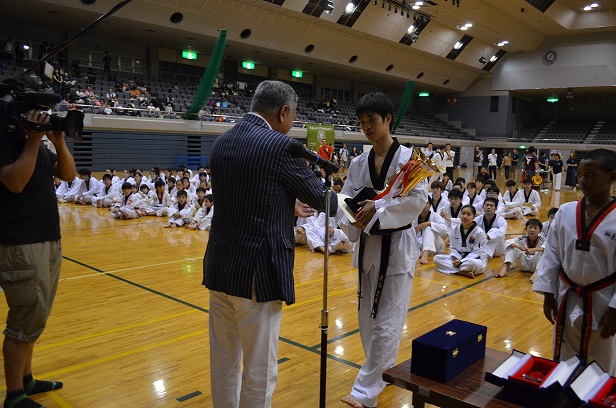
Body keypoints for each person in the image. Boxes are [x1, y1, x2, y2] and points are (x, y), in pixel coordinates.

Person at [202, 80, 337, 408]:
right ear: (284, 111)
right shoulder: (280, 146)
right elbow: (325, 201)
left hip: (220, 266)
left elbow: (245, 196)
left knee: (224, 360)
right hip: (257, 274)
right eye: (294, 115)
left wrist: (285, 202)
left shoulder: (222, 141)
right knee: (259, 369)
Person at [337, 92, 427, 408]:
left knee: (388, 320)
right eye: (362, 122)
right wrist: (353, 217)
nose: (366, 127)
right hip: (367, 247)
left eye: (372, 120)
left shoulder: (409, 161)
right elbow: (344, 199)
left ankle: (365, 391)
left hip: (397, 248)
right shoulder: (358, 163)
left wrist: (376, 210)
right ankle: (381, 372)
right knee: (367, 319)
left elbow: (417, 202)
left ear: (388, 119)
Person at [0, 109, 76, 408]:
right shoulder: (6, 142)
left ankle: (26, 379)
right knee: (24, 319)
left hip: (47, 239)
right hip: (22, 242)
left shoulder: (38, 146)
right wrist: (33, 140)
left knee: (36, 315)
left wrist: (58, 142)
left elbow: (68, 175)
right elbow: (15, 182)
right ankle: (14, 395)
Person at [532, 149, 616, 375]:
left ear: (611, 178)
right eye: (579, 174)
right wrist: (548, 294)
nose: (582, 180)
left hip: (603, 301)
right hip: (566, 295)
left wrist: (615, 308)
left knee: (602, 360)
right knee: (564, 355)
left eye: (590, 175)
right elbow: (552, 254)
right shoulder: (565, 211)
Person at [434, 204, 488, 279]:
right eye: (463, 214)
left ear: (474, 216)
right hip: (458, 257)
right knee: (437, 258)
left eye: (468, 214)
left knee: (472, 264)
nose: (465, 216)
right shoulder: (455, 229)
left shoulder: (479, 232)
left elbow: (477, 252)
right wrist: (457, 259)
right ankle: (461, 272)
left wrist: (461, 261)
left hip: (474, 259)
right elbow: (452, 247)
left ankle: (454, 270)